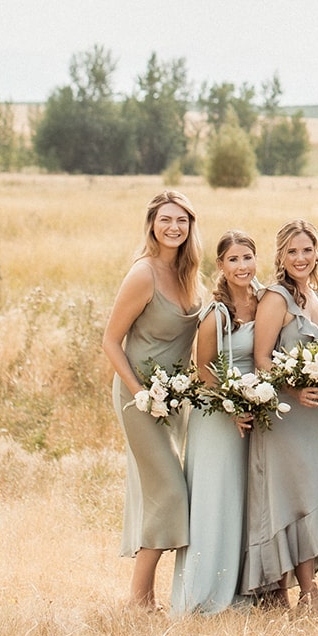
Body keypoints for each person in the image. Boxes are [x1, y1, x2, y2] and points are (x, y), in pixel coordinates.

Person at [102, 190, 203, 609]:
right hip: (138, 397)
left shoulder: (192, 275)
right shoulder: (142, 274)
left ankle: (146, 597)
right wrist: (140, 392)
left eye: (181, 220)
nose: (174, 227)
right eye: (166, 220)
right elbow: (110, 341)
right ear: (152, 225)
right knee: (170, 492)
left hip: (174, 399)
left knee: (164, 491)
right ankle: (139, 599)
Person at [243, 219, 318, 613]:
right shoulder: (275, 298)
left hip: (312, 416)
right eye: (292, 251)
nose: (301, 258)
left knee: (310, 493)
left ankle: (300, 588)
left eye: (307, 250)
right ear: (281, 256)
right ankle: (300, 590)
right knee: (289, 498)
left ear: (317, 252)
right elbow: (261, 359)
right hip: (283, 415)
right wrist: (295, 389)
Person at [171, 230, 261, 616]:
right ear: (221, 266)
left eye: (248, 258)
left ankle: (243, 586)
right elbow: (204, 370)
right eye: (234, 260)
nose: (242, 266)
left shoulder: (265, 300)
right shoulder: (215, 315)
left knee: (243, 499)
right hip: (217, 416)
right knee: (215, 499)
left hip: (253, 413)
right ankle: (203, 593)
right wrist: (233, 404)